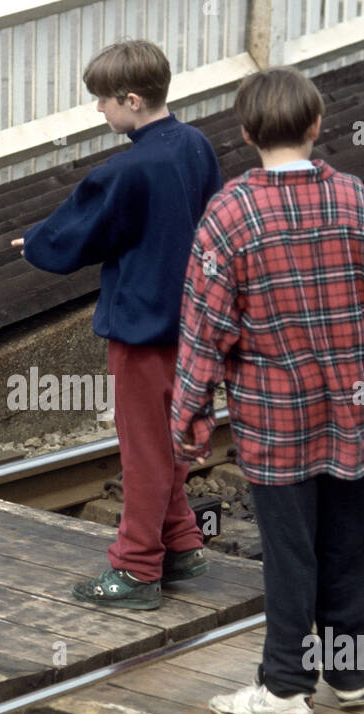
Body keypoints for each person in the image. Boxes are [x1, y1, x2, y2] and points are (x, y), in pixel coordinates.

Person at [172, 67, 364, 714]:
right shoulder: (357, 200)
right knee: (353, 544)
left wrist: (191, 414)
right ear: (316, 125)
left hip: (274, 419)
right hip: (352, 411)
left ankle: (286, 687)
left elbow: (204, 329)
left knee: (291, 552)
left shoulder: (230, 214)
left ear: (245, 134)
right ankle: (350, 674)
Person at [11, 39, 223, 610]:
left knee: (143, 448)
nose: (99, 111)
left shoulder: (126, 169)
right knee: (171, 438)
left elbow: (82, 232)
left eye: (103, 101)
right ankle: (181, 544)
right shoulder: (197, 146)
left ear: (131, 100)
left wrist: (35, 243)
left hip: (141, 330)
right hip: (192, 326)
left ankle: (135, 570)